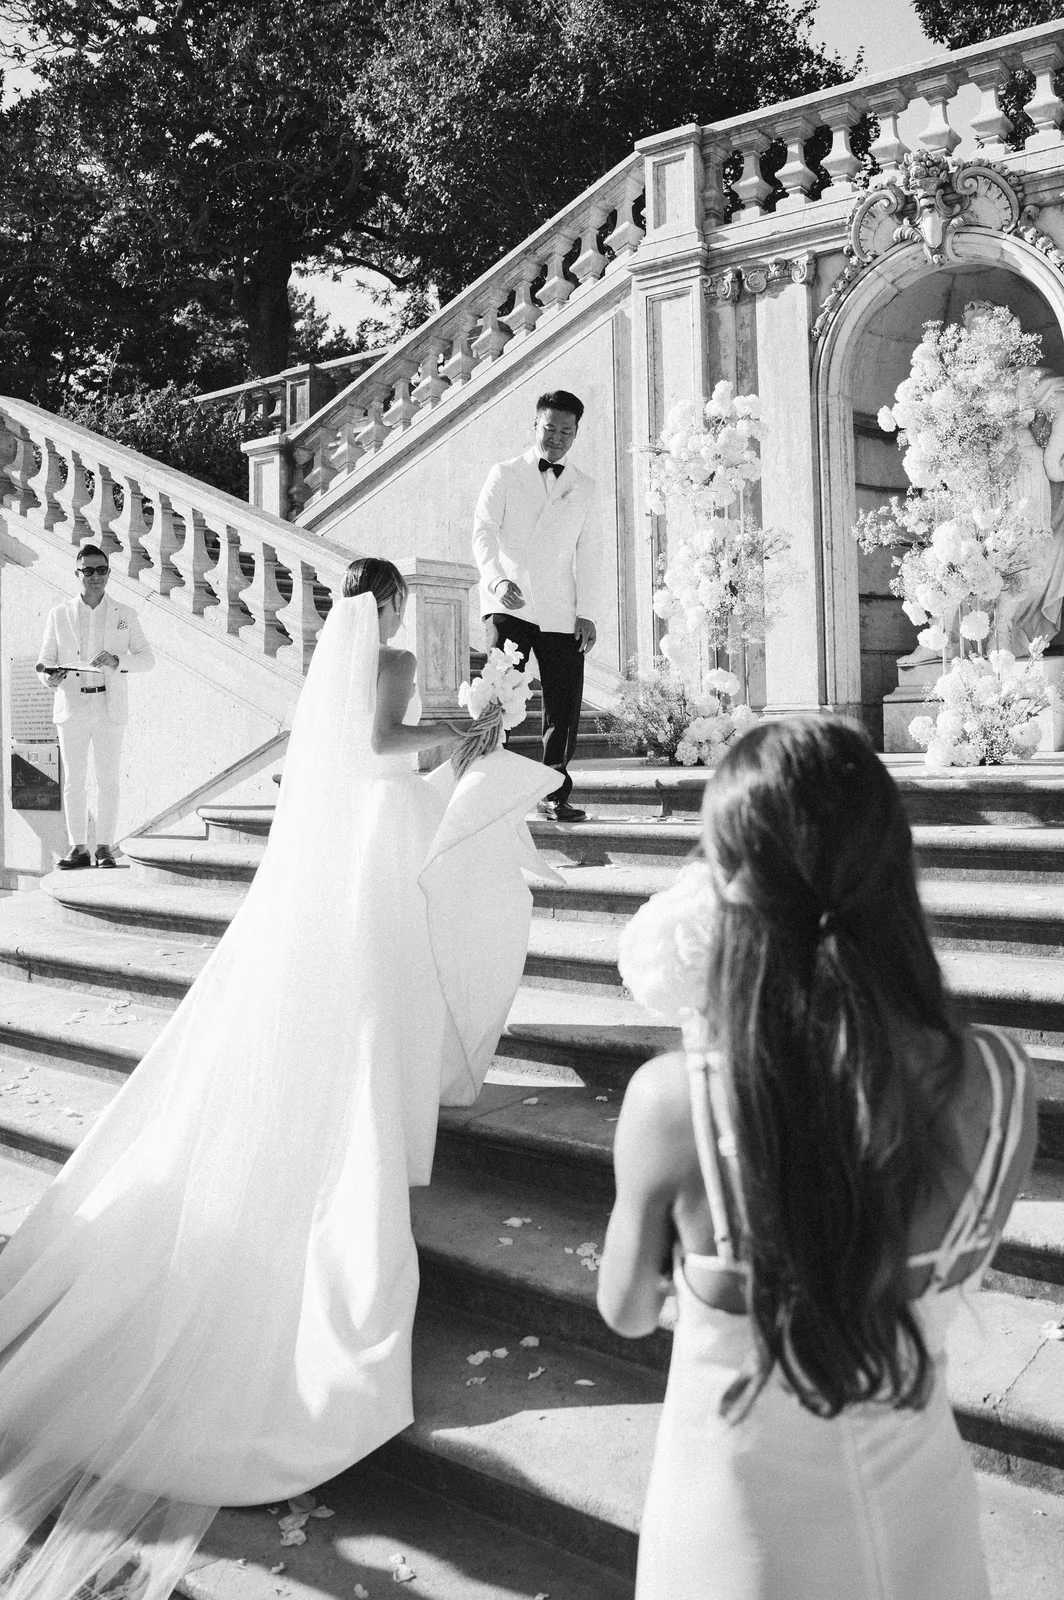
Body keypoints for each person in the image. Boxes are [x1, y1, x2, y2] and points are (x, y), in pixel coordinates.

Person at [0, 557, 560, 1600]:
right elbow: (386, 749)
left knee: (351, 1002)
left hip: (339, 854)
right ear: (389, 605)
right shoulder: (393, 659)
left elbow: (350, 755)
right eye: (398, 603)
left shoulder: (332, 664)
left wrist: (461, 731)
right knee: (382, 996)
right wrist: (466, 737)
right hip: (379, 845)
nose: (400, 616)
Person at [600, 717, 1037, 1600]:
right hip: (922, 1514)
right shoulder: (1000, 1077)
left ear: (724, 881)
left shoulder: (676, 1102)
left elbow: (628, 1310)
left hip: (738, 1530)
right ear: (893, 865)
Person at [472, 389, 601, 821]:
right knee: (497, 697)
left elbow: (591, 553)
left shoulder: (585, 486)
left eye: (566, 431)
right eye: (550, 428)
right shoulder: (506, 473)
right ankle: (488, 791)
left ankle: (554, 794)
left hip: (561, 609)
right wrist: (497, 578)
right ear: (535, 426)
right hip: (510, 603)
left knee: (563, 706)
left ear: (576, 433)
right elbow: (483, 531)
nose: (557, 438)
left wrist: (588, 612)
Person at [36, 541, 155, 868]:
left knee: (108, 780)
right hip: (72, 706)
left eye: (102, 570)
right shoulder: (59, 614)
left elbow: (147, 660)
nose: (96, 576)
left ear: (109, 572)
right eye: (88, 570)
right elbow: (44, 661)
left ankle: (103, 847)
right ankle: (78, 848)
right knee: (74, 780)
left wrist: (117, 660)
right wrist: (50, 678)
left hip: (108, 705)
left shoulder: (124, 615)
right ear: (77, 573)